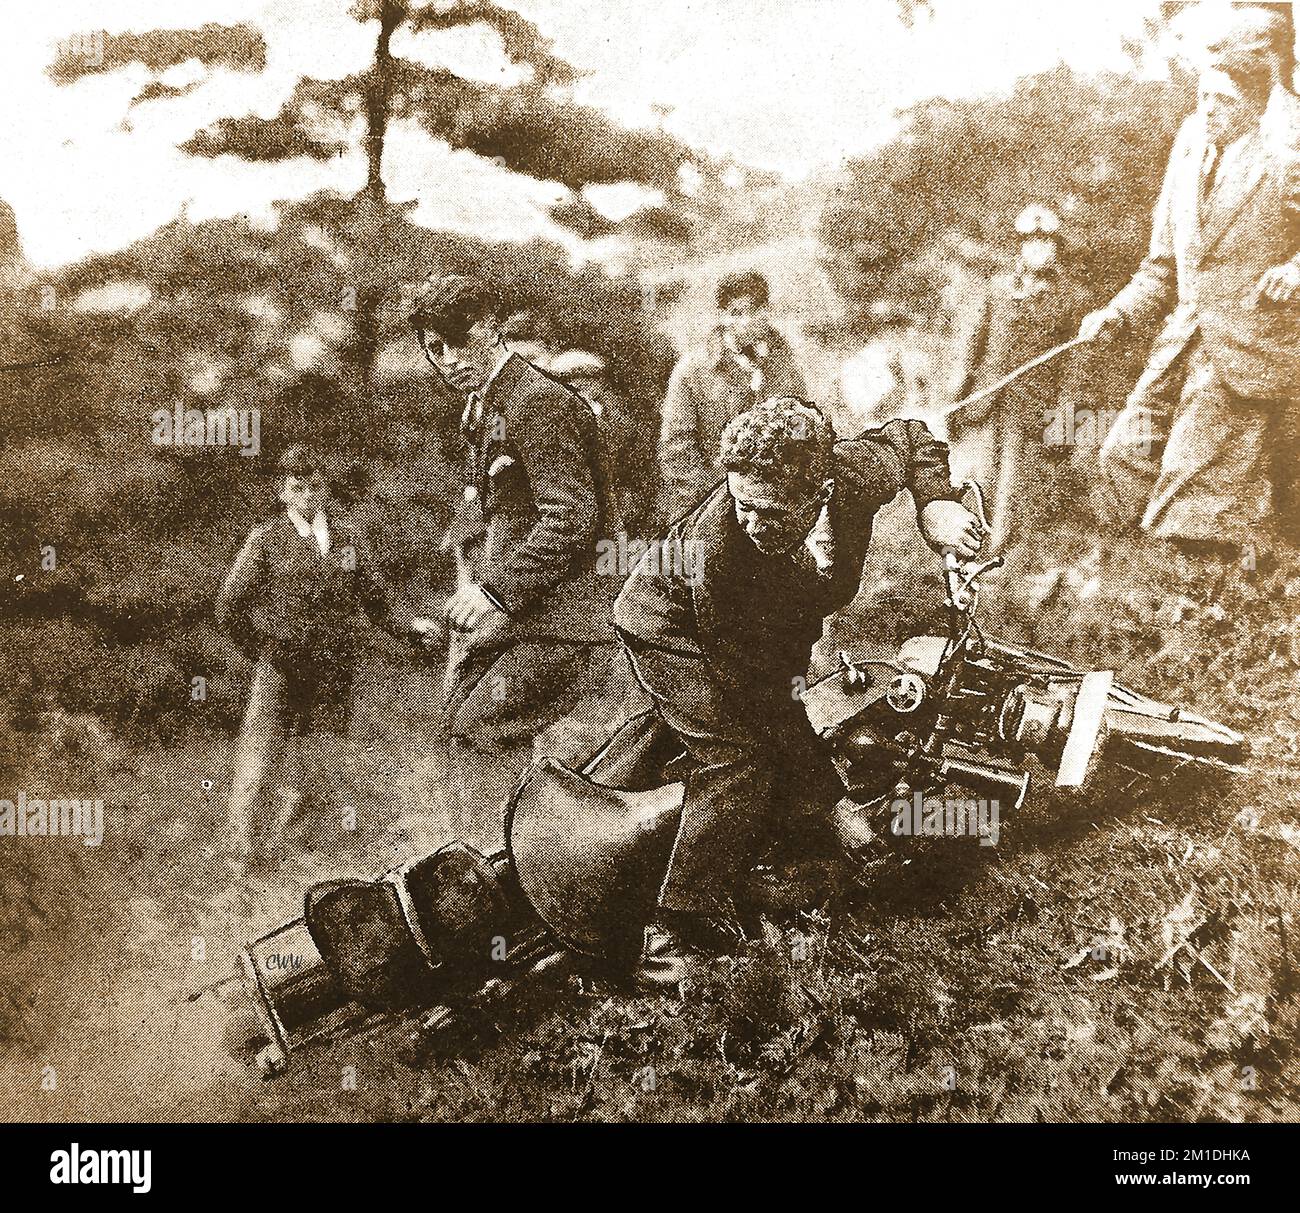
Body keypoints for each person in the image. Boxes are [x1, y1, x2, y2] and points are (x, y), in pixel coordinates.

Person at [613, 397, 983, 987]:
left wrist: (934, 502)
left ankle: (614, 809)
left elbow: (913, 438)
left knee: (690, 735)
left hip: (771, 630)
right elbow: (765, 705)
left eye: (774, 511)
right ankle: (672, 930)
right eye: (742, 504)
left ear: (821, 489)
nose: (755, 522)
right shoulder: (721, 558)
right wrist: (837, 809)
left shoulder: (854, 472)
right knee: (737, 757)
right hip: (669, 624)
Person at [1080, 5, 1300, 558]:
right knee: (1120, 456)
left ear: (1256, 102)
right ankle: (1189, 589)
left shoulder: (1287, 147)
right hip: (1184, 340)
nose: (1209, 110)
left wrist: (1295, 270)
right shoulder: (1188, 145)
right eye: (1203, 96)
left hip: (1253, 351)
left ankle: (1210, 611)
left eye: (1224, 101)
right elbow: (1162, 265)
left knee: (1190, 497)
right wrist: (1117, 313)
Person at [409, 274, 617, 818]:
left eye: (460, 339)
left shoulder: (535, 400)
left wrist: (494, 592)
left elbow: (571, 518)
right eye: (435, 349)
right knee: (456, 721)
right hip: (521, 614)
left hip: (563, 618)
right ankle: (487, 859)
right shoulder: (481, 406)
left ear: (493, 328)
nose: (449, 360)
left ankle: (512, 863)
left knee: (479, 728)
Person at [216, 445, 426, 867]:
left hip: (333, 670)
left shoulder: (346, 539)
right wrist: (262, 648)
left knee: (317, 760)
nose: (307, 492)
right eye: (297, 485)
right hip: (279, 667)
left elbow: (376, 600)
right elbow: (229, 605)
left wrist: (411, 627)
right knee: (260, 759)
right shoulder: (266, 540)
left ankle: (303, 849)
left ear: (323, 486)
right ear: (283, 492)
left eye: (314, 483)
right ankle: (240, 856)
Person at [947, 204, 1092, 551]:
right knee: (971, 477)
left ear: (1057, 247)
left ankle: (991, 558)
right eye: (1030, 242)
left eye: (1046, 242)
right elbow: (971, 345)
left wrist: (1065, 419)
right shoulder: (997, 288)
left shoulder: (1070, 299)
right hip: (984, 402)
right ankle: (956, 548)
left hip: (1029, 409)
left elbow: (1076, 367)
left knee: (1009, 488)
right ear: (1020, 246)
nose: (1038, 249)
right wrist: (955, 397)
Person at [658, 270, 807, 520]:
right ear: (722, 316)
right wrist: (715, 499)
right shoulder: (693, 371)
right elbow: (677, 449)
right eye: (736, 313)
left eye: (755, 311)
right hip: (712, 504)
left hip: (777, 504)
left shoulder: (784, 364)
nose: (746, 321)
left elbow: (802, 431)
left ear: (767, 311)